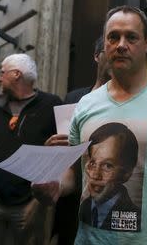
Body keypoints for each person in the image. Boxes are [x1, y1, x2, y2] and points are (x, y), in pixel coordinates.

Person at [34, 5, 147, 245]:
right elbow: (73, 173)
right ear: (105, 45)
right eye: (113, 37)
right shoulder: (86, 104)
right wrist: (54, 185)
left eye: (131, 37)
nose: (121, 44)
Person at [0, 53, 62, 245]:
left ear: (16, 75)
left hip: (29, 204)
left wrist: (38, 202)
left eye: (2, 72)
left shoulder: (51, 104)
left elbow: (60, 153)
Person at [49, 36, 111, 245]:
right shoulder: (74, 99)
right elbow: (64, 160)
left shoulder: (131, 102)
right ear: (96, 56)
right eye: (108, 50)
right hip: (74, 204)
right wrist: (53, 150)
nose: (115, 54)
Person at [79, 122, 140, 231]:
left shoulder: (136, 216)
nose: (95, 175)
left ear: (126, 173)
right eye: (93, 163)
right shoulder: (85, 206)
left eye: (108, 165)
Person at [65, 36, 111, 103]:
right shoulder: (73, 98)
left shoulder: (128, 101)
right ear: (96, 56)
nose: (114, 58)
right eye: (109, 52)